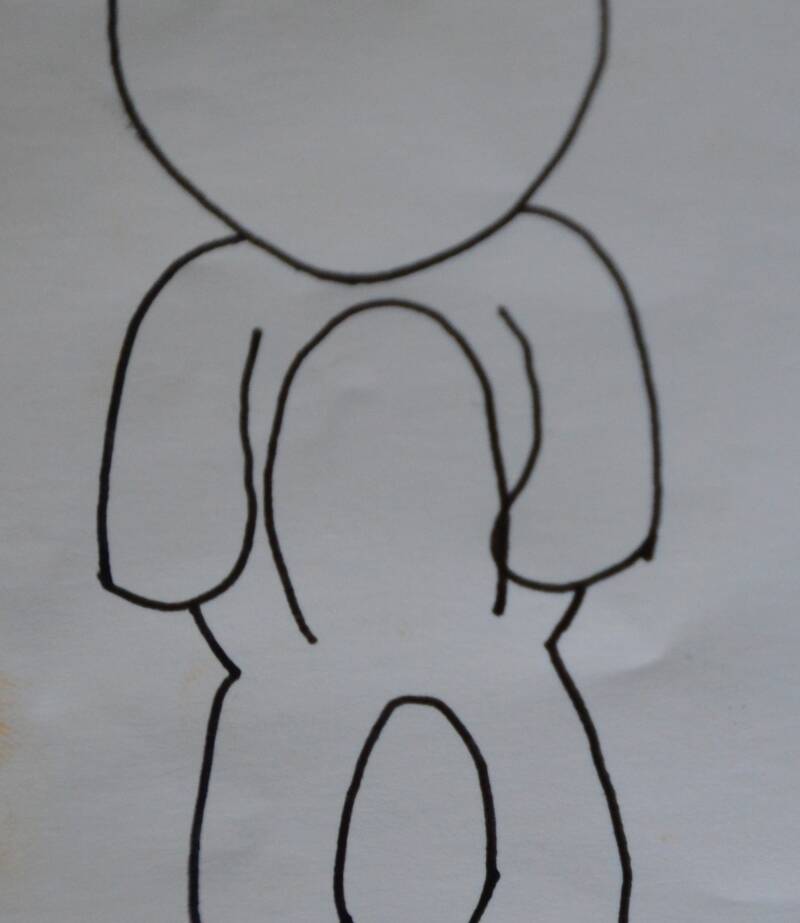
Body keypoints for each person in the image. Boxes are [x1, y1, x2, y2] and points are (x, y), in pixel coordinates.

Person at [97, 1, 661, 920]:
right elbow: (169, 489)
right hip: (286, 651)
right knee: (279, 822)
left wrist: (572, 529)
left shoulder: (544, 266)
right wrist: (172, 547)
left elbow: (593, 456)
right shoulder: (216, 295)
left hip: (498, 642)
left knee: (546, 825)